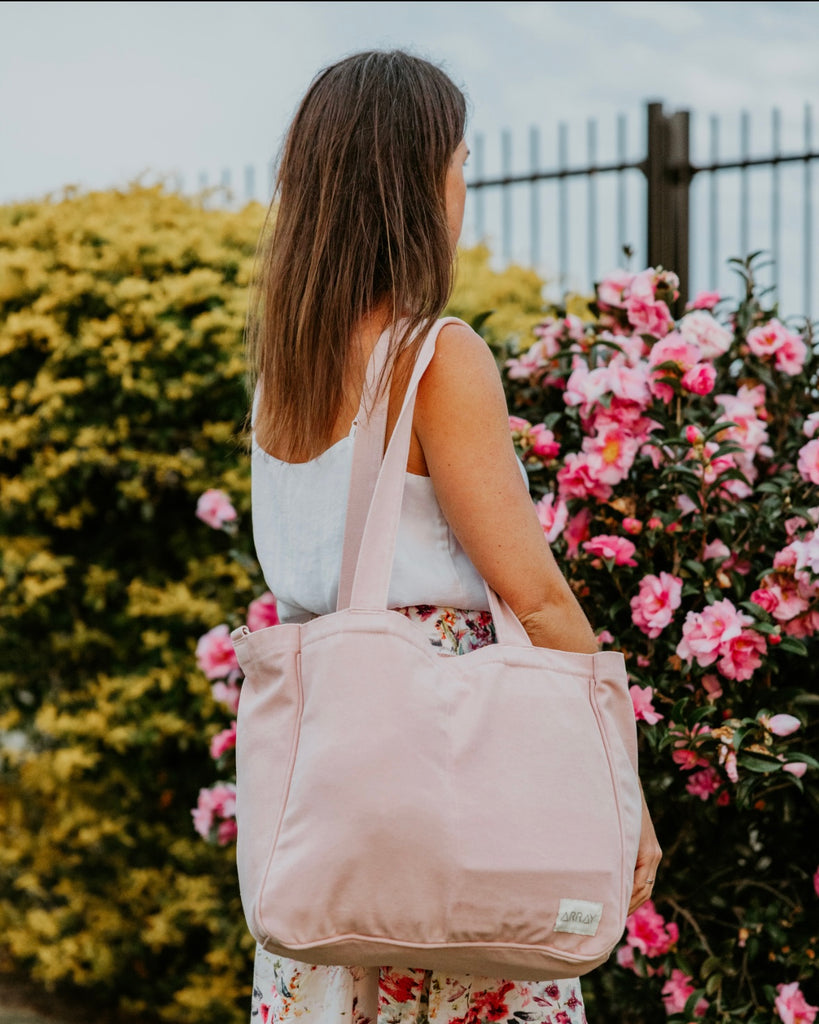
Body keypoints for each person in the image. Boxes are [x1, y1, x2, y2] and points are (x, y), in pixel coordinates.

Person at [245, 48, 661, 1024]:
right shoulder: (438, 354)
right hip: (449, 769)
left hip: (330, 779)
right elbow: (540, 595)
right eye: (460, 162)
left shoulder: (283, 379)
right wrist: (621, 790)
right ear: (415, 180)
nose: (463, 185)